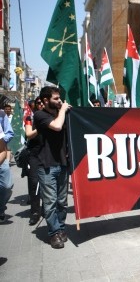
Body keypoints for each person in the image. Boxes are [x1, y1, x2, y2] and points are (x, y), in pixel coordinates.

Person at [33, 86, 71, 249]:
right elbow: (56, 126)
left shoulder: (61, 113)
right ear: (46, 100)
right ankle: (53, 233)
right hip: (46, 165)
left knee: (62, 201)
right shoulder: (40, 115)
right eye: (56, 99)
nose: (59, 101)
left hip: (62, 163)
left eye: (59, 98)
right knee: (50, 202)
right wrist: (63, 109)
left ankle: (61, 227)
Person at [24, 97, 45, 225]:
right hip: (34, 155)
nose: (41, 104)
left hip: (48, 154)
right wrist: (42, 127)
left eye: (43, 102)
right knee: (34, 183)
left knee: (47, 184)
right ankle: (35, 212)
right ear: (35, 105)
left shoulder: (51, 117)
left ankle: (46, 209)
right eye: (38, 103)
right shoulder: (30, 119)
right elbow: (29, 134)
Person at [0, 109, 14, 223]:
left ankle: (1, 207)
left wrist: (2, 142)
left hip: (1, 152)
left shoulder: (1, 114)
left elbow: (9, 133)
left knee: (7, 186)